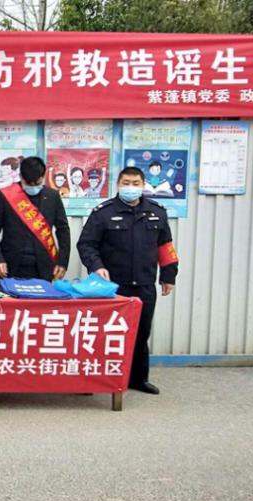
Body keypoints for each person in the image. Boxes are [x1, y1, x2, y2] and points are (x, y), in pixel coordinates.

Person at [77, 167, 178, 395]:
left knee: (141, 333)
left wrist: (168, 276)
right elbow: (86, 244)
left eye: (135, 183)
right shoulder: (103, 213)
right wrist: (97, 267)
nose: (130, 187)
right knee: (104, 333)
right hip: (111, 286)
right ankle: (95, 379)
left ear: (143, 185)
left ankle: (137, 379)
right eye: (126, 183)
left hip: (144, 284)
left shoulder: (157, 213)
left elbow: (166, 247)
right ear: (118, 184)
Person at [0, 156, 71, 281]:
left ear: (43, 177)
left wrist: (62, 262)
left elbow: (63, 230)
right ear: (21, 177)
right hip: (11, 265)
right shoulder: (6, 195)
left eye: (37, 183)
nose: (32, 186)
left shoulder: (52, 196)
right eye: (28, 183)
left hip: (44, 266)